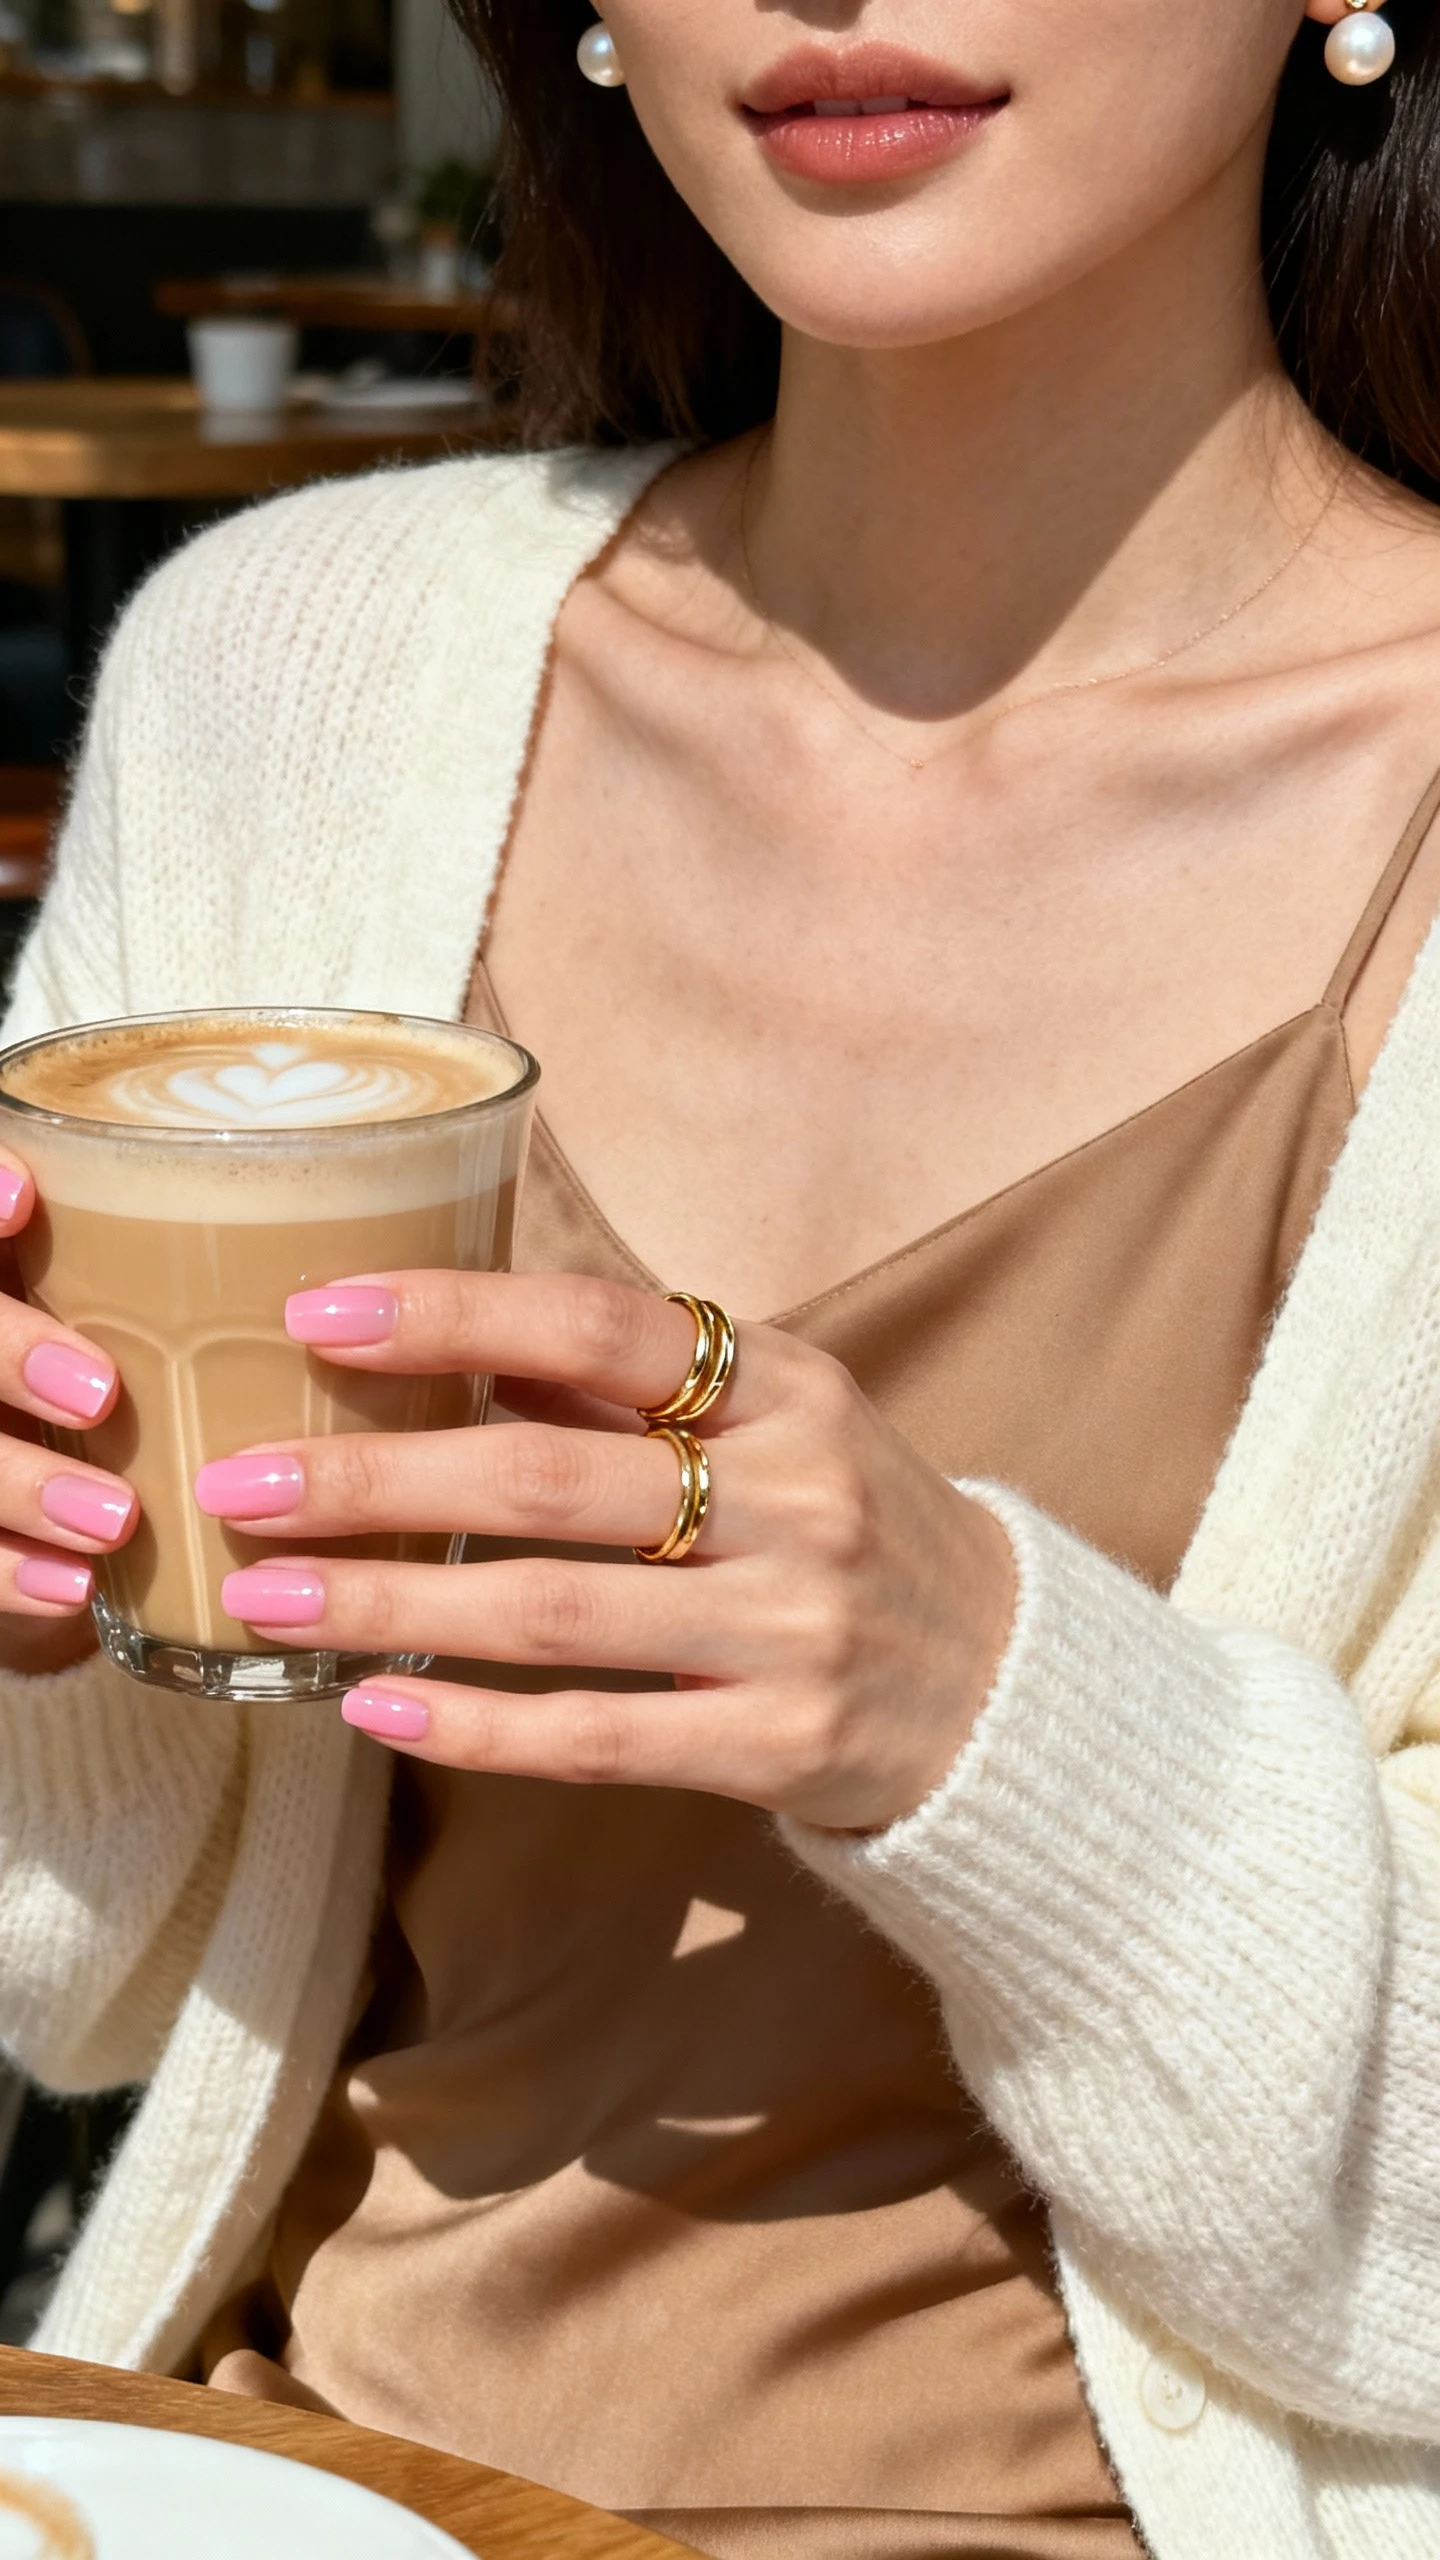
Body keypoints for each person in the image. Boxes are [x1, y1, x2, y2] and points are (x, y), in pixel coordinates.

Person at [0, 2, 1436, 2552]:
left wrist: (987, 1699)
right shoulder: (287, 672)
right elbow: (85, 1981)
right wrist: (36, 1621)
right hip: (304, 2478)